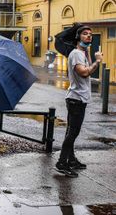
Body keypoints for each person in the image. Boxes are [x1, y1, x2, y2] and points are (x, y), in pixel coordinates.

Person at [55, 26, 103, 177]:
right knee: (73, 133)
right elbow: (84, 72)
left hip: (78, 98)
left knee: (72, 132)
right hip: (76, 99)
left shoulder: (81, 53)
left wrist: (88, 52)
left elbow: (87, 66)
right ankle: (62, 163)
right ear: (77, 37)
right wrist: (98, 61)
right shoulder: (76, 54)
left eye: (90, 34)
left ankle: (71, 159)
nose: (89, 36)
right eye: (85, 34)